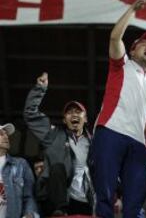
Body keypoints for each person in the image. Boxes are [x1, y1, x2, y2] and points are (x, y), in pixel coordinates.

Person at [91, 0, 146, 218]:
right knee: (105, 195)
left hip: (137, 144)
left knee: (134, 201)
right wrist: (133, 9)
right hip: (110, 133)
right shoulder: (122, 65)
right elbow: (115, 36)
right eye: (144, 45)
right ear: (132, 51)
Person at [24, 72, 93, 216]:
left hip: (88, 200)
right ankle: (60, 211)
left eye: (78, 112)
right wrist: (39, 89)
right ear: (64, 120)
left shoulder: (95, 143)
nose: (74, 114)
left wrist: (116, 195)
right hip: (58, 201)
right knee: (57, 168)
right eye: (69, 113)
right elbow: (30, 114)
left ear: (85, 119)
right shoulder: (54, 136)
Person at [0, 123, 39, 218]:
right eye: (1, 134)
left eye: (6, 134)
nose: (6, 137)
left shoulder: (20, 164)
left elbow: (29, 196)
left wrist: (29, 214)